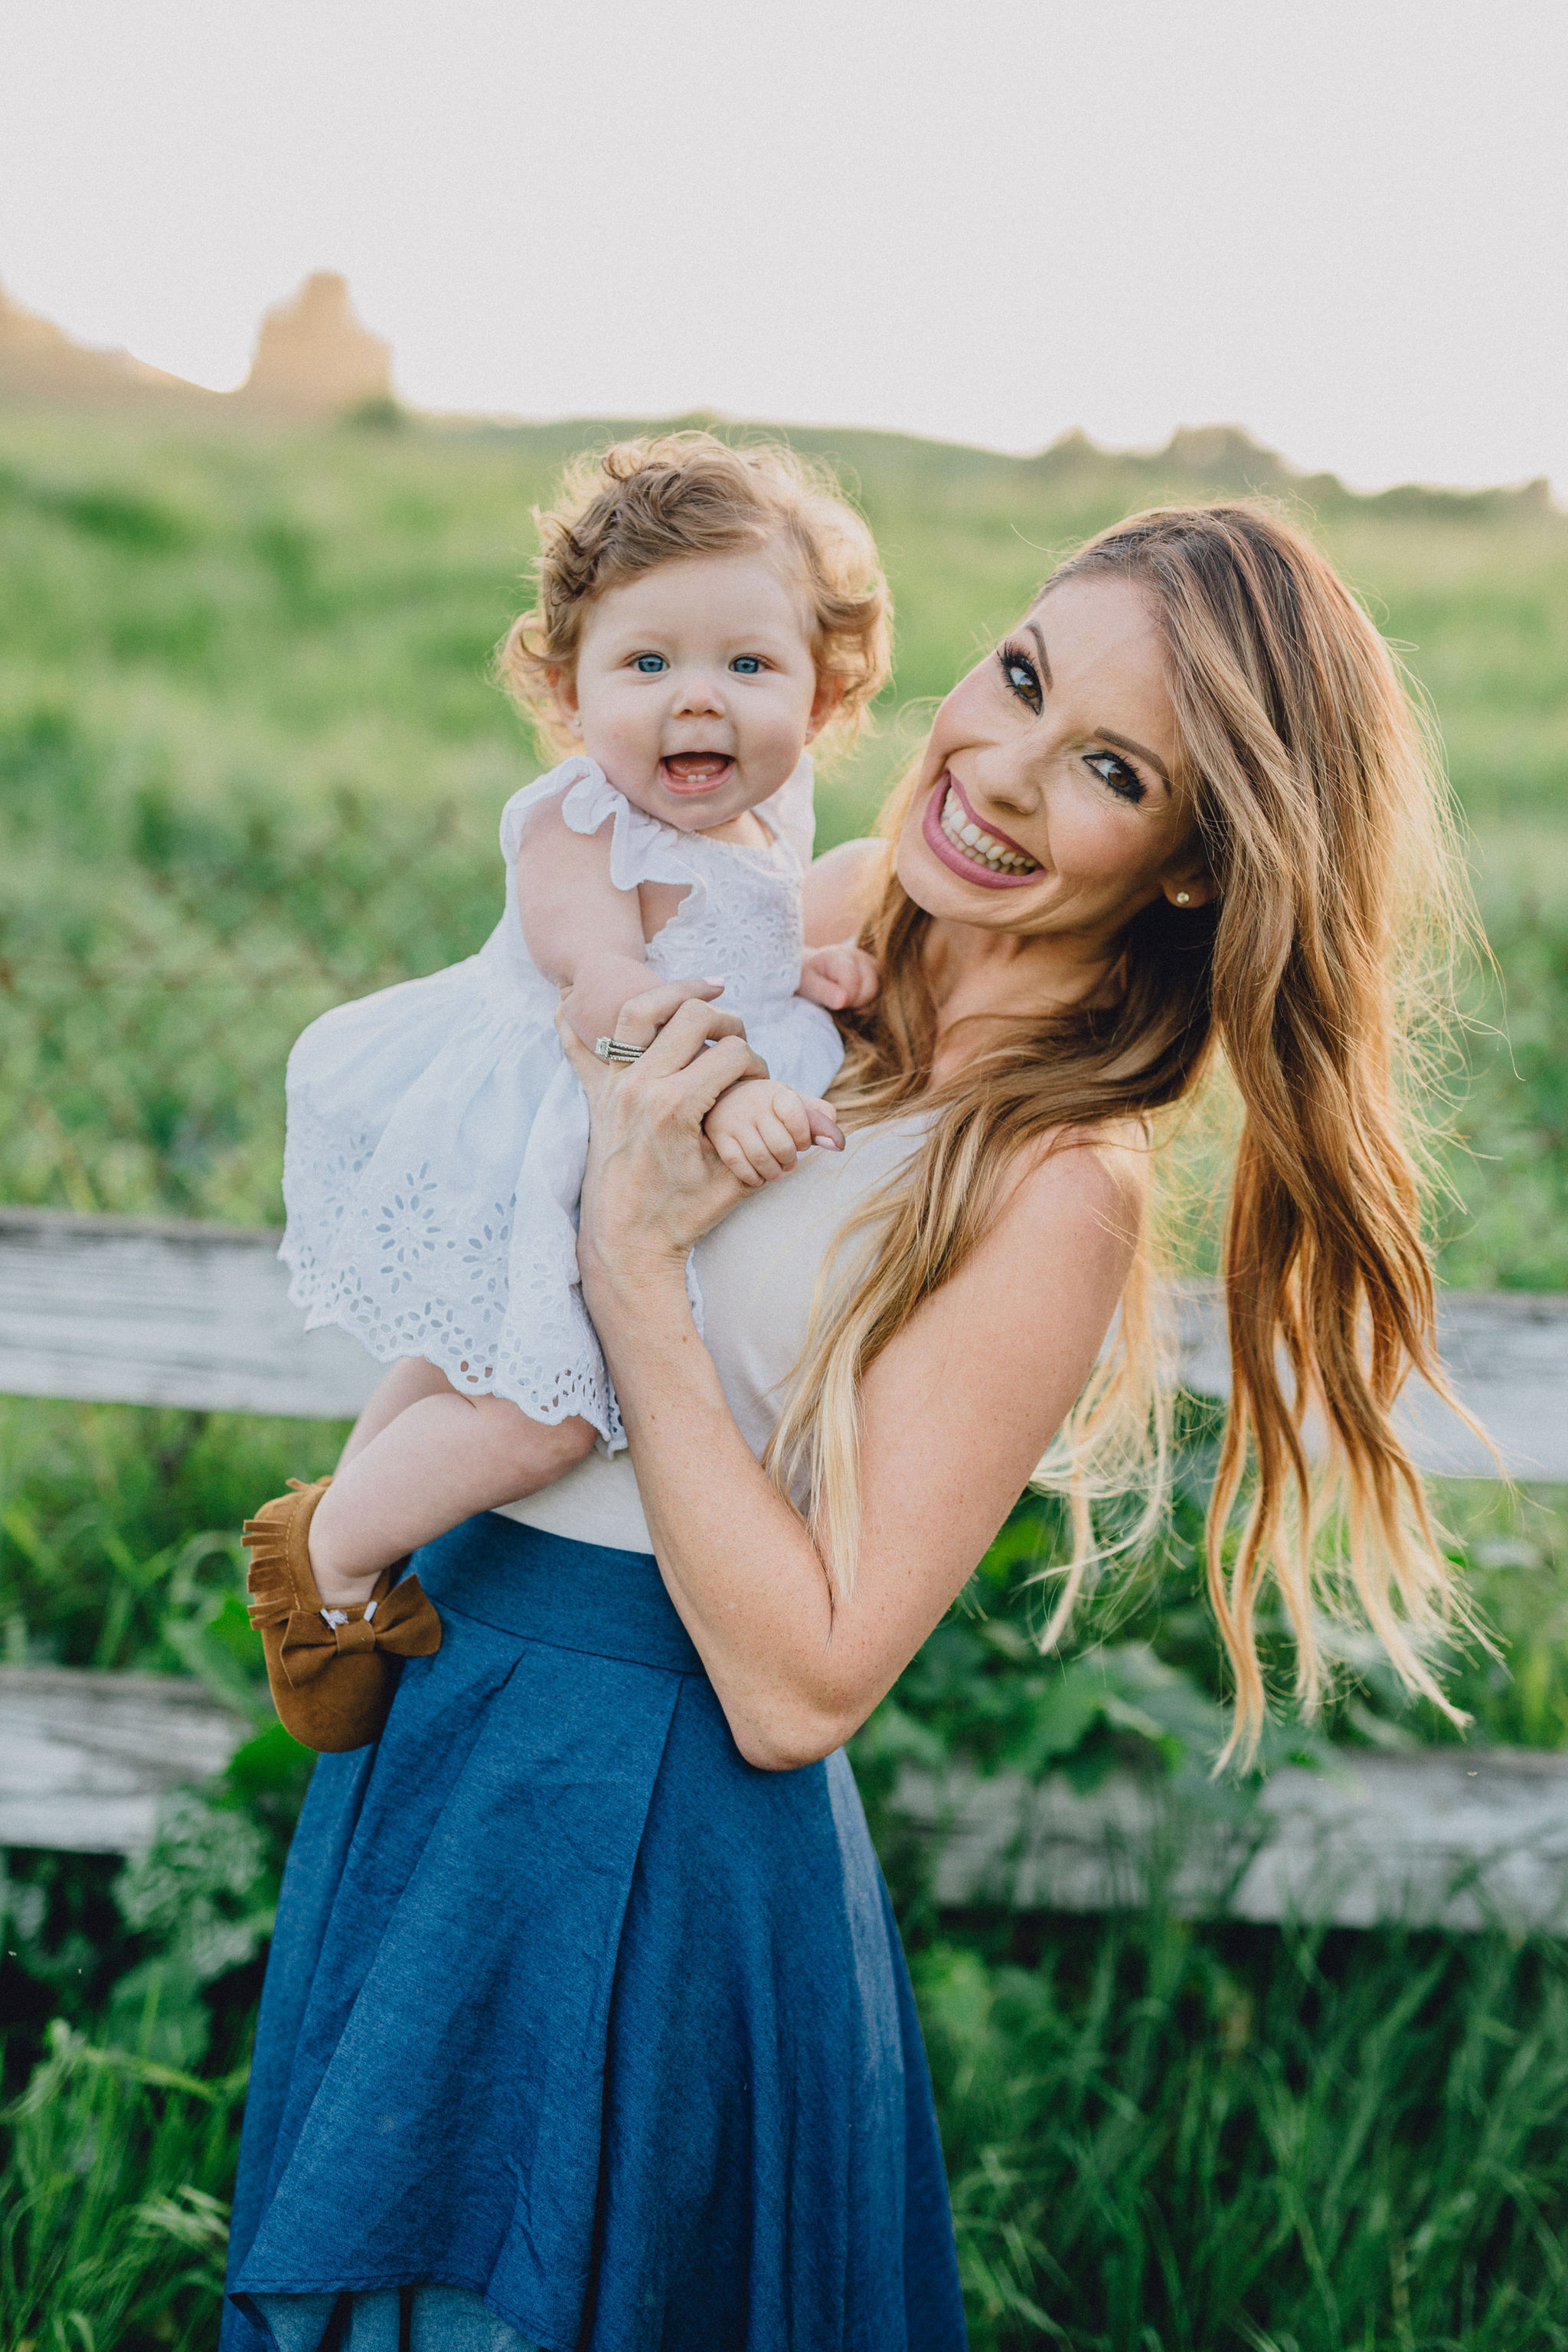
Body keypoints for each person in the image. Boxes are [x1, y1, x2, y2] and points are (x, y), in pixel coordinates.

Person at [225, 501, 1475, 2350]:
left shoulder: (1059, 1187)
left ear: (1197, 863)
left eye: (1111, 769)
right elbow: (514, 1160)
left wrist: (636, 1277)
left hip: (645, 1818)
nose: (1001, 773)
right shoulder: (796, 909)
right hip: (443, 1699)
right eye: (1024, 678)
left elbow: (802, 1688)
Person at [246, 435, 890, 1749]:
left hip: (610, 1122)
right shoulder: (578, 822)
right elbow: (604, 981)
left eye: (746, 664)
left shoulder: (770, 820)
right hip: (562, 1108)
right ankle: (329, 1557)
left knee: (474, 1352)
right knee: (542, 1416)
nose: (695, 701)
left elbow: (733, 946)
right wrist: (731, 1083)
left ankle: (356, 1512)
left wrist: (798, 968)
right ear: (569, 689)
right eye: (646, 663)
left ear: (823, 694)